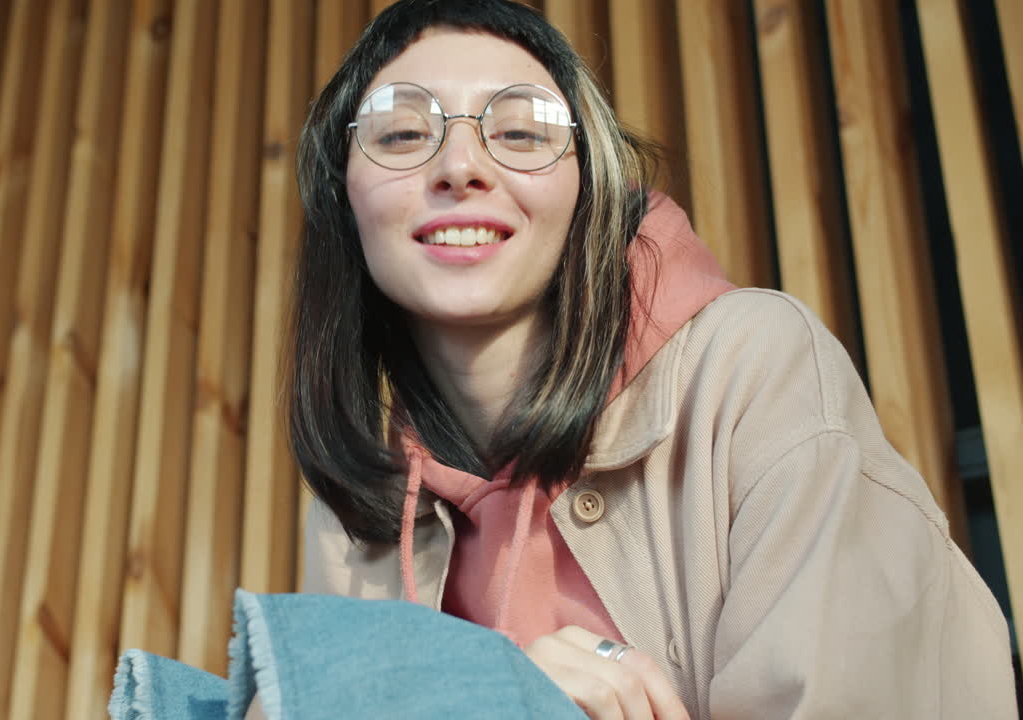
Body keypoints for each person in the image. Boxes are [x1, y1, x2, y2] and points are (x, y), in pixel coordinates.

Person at [288, 0, 1019, 718]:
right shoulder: (354, 519)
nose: (461, 165)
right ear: (343, 199)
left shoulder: (754, 368)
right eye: (404, 131)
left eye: (520, 130)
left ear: (588, 185)